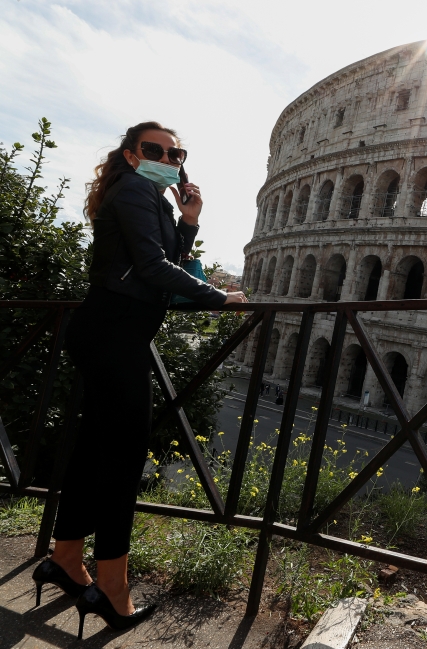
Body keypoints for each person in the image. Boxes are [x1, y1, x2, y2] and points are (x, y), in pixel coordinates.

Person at [37, 123, 246, 639]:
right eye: (154, 149)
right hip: (113, 333)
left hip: (109, 332)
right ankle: (111, 585)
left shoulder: (149, 197)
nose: (167, 157)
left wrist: (189, 220)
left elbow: (162, 260)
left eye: (176, 152)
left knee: (94, 447)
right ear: (132, 156)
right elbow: (154, 269)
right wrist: (220, 298)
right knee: (124, 458)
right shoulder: (133, 189)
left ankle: (65, 556)